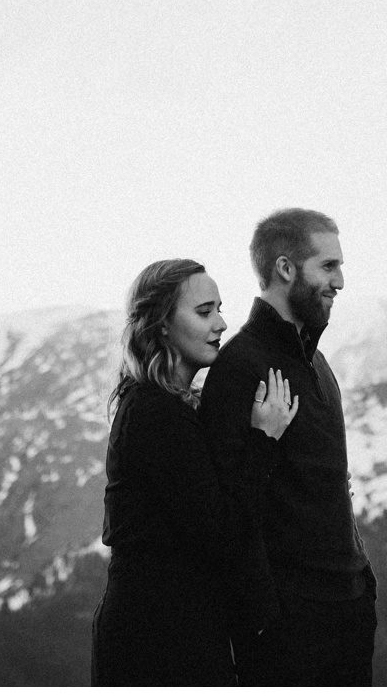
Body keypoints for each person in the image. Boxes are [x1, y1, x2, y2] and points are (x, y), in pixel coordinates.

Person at [91, 258, 298, 686]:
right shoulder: (154, 413)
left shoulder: (167, 405)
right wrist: (264, 439)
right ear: (162, 324)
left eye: (220, 308)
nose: (221, 323)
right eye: (204, 312)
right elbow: (222, 529)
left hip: (173, 626)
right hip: (158, 639)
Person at [200, 208, 377, 685]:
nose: (340, 281)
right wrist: (264, 623)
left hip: (350, 607)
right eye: (328, 266)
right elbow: (230, 510)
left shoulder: (318, 363)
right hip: (291, 630)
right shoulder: (239, 367)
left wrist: (362, 586)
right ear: (285, 268)